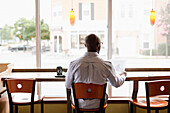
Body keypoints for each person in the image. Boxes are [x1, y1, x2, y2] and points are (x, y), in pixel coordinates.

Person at [65, 34, 127, 109]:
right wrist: (124, 75)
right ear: (98, 45)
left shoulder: (73, 64)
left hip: (79, 103)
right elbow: (116, 83)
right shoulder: (106, 64)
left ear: (85, 45)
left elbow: (68, 85)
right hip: (99, 104)